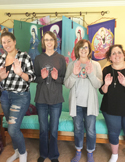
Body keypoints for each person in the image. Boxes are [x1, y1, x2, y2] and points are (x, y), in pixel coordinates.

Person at [64, 39, 102, 162]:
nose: (83, 50)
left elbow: (98, 85)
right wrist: (74, 74)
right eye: (81, 48)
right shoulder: (71, 64)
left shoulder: (96, 65)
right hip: (76, 104)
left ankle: (90, 152)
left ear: (89, 50)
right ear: (77, 50)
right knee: (78, 128)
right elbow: (67, 84)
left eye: (86, 47)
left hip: (90, 104)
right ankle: (78, 151)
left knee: (91, 130)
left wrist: (91, 74)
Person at [0, 31, 36, 162]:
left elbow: (32, 77)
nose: (7, 44)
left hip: (20, 96)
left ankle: (22, 154)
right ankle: (16, 151)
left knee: (13, 129)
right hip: (5, 96)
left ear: (14, 42)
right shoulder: (1, 59)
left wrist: (20, 73)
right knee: (11, 129)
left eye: (9, 41)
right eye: (4, 42)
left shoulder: (24, 57)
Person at [34, 31, 66, 162]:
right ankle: (43, 153)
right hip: (41, 99)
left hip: (56, 99)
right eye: (46, 40)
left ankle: (53, 155)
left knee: (53, 129)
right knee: (43, 128)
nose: (49, 42)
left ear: (55, 42)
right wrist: (41, 78)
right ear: (43, 42)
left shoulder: (61, 58)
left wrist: (56, 78)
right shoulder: (38, 59)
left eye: (51, 39)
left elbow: (64, 79)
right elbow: (34, 78)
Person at [99, 44, 125, 162]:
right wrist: (106, 85)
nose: (117, 55)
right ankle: (114, 155)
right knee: (113, 131)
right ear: (110, 57)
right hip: (110, 108)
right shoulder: (106, 70)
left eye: (119, 52)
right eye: (113, 53)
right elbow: (102, 91)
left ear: (123, 55)